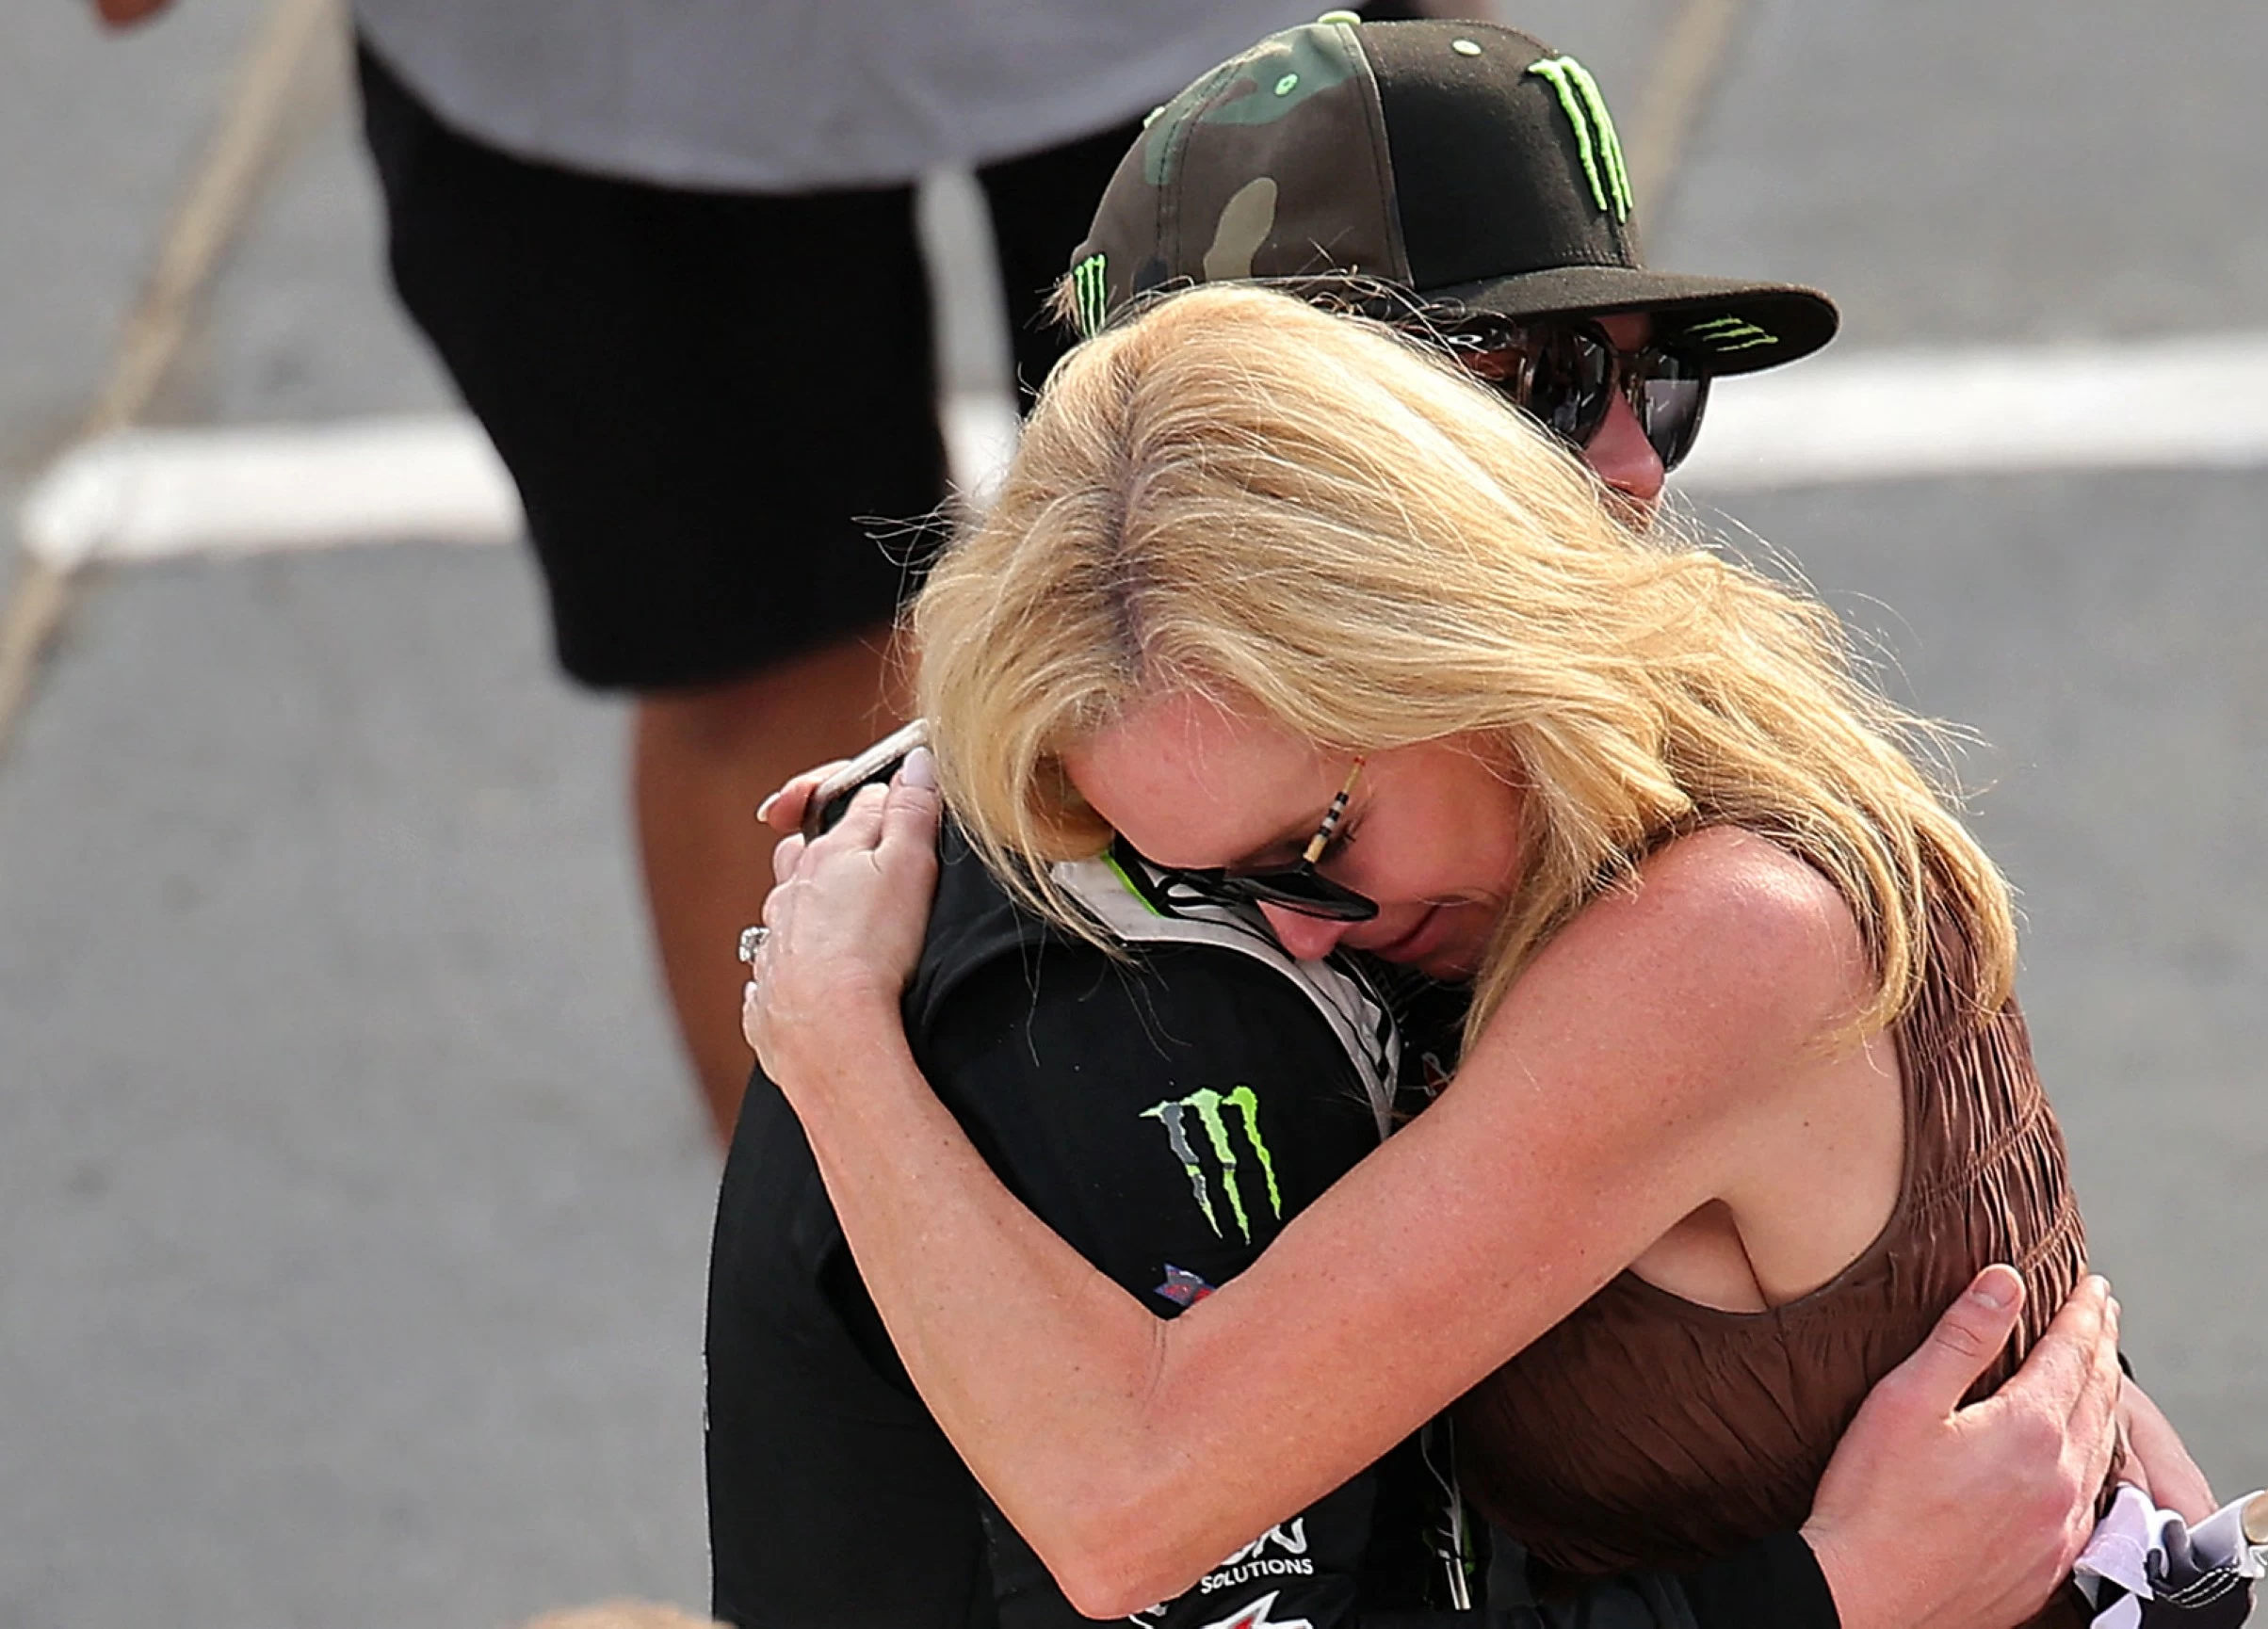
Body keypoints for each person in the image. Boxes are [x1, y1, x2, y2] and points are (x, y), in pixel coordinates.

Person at [713, 18, 2209, 1628]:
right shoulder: (1631, 754)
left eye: (1642, 378)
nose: (1627, 463)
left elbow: (1126, 1501)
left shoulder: (1708, 930)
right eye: (1546, 391)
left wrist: (834, 1037)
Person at [91, 0, 1424, 1139]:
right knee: (776, 678)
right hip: (619, 66)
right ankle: (861, 1347)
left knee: (1328, 641)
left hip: (1180, 40)